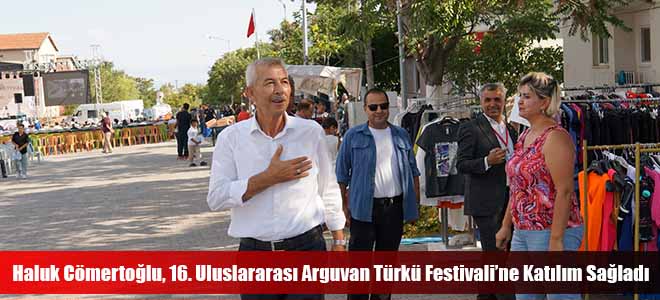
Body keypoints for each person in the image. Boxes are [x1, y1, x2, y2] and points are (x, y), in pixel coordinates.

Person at [207, 58, 345, 300]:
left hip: (307, 251)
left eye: (284, 82)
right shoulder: (231, 138)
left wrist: (339, 239)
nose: (280, 90)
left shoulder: (310, 132)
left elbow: (328, 187)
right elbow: (217, 198)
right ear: (250, 93)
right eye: (270, 83)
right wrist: (267, 178)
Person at [496, 72, 583, 300]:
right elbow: (517, 187)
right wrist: (507, 225)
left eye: (526, 97)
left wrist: (556, 240)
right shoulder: (524, 136)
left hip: (550, 229)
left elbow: (564, 191)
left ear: (544, 102)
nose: (519, 101)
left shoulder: (556, 137)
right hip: (523, 230)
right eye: (519, 96)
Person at [336, 88, 419, 300]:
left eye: (383, 106)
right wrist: (342, 208)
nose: (379, 111)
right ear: (365, 109)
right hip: (363, 210)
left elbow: (413, 171)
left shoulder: (401, 135)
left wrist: (414, 204)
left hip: (393, 209)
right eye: (373, 107)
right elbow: (341, 175)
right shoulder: (353, 136)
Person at [456, 83, 517, 300]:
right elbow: (461, 164)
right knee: (497, 253)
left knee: (496, 255)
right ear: (481, 102)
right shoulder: (471, 128)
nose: (493, 104)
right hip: (486, 202)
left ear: (504, 101)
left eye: (497, 100)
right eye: (488, 100)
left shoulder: (511, 129)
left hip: (511, 200)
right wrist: (486, 161)